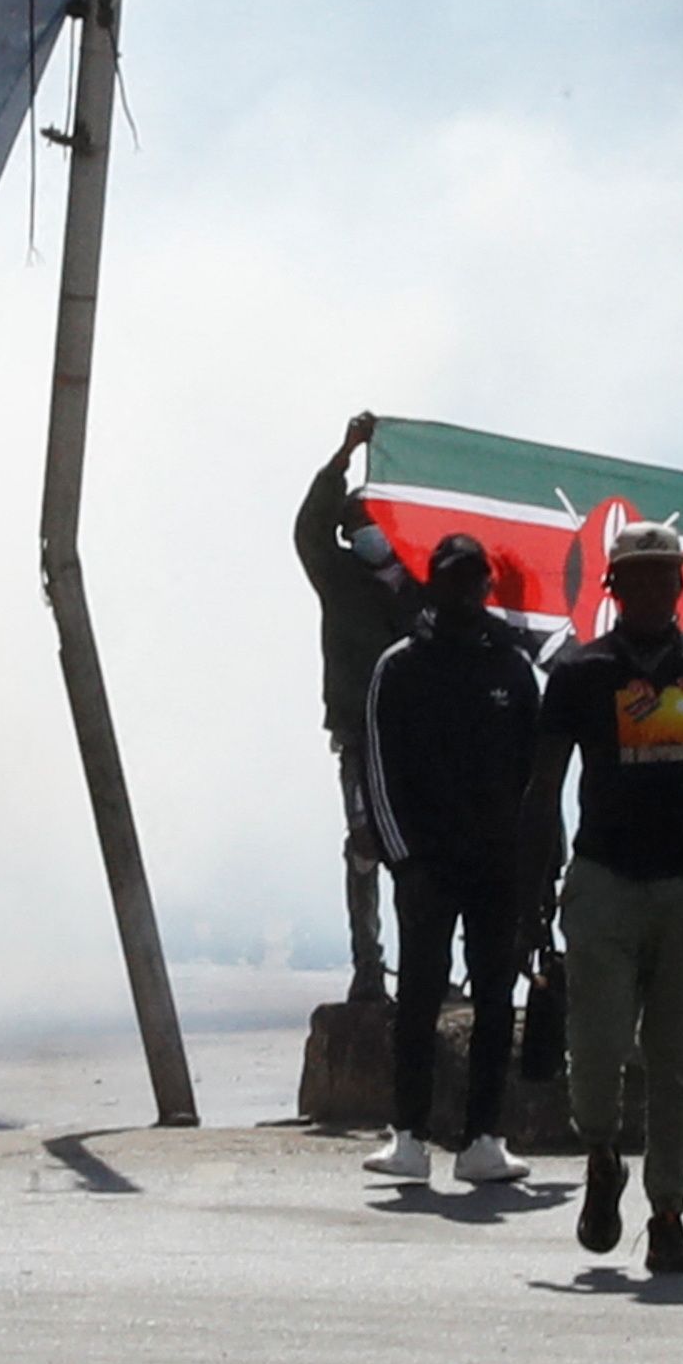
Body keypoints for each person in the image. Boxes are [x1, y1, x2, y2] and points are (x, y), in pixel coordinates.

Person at [530, 521, 683, 1276]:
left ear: (682, 584)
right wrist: (536, 883)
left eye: (667, 575)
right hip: (604, 879)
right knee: (596, 1050)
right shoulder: (580, 672)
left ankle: (667, 1214)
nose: (657, 588)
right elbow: (545, 786)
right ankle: (601, 1155)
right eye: (641, 577)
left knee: (677, 1058)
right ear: (614, 588)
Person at [359, 533, 545, 1188]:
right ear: (432, 582)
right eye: (453, 578)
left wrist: (537, 869)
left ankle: (483, 1141)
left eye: (475, 579)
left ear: (487, 586)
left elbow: (537, 777)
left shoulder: (512, 668)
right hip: (427, 866)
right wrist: (403, 863)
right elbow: (377, 772)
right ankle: (408, 1137)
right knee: (418, 996)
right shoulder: (399, 666)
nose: (466, 591)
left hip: (497, 865)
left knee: (496, 999)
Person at [298, 411, 408, 1007]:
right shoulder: (340, 579)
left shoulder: (424, 581)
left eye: (373, 522)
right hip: (361, 737)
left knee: (423, 853)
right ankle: (368, 966)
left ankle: (426, 966)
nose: (365, 532)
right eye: (355, 525)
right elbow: (308, 530)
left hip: (419, 739)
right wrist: (343, 454)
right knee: (364, 846)